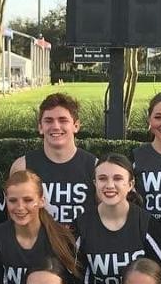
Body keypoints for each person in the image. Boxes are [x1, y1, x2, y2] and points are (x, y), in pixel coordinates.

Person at [74, 154, 161, 284]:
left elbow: (159, 276)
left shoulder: (146, 224)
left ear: (130, 185)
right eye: (102, 178)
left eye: (117, 178)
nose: (109, 185)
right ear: (94, 183)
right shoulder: (82, 225)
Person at [0, 170, 79, 284]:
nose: (20, 207)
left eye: (27, 200)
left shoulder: (61, 239)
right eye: (13, 201)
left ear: (41, 200)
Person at [9, 93, 97, 225]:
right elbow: (13, 221)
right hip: (38, 245)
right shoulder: (22, 166)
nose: (56, 126)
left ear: (76, 126)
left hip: (83, 245)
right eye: (48, 121)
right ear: (40, 127)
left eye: (63, 120)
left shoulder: (95, 167)